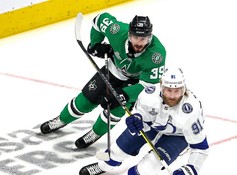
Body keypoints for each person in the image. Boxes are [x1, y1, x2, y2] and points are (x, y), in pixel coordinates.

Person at [78, 66, 209, 175]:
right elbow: (140, 114)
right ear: (161, 87)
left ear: (183, 89)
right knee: (116, 151)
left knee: (149, 167)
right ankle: (102, 165)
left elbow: (201, 148)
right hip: (152, 124)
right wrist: (136, 119)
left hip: (177, 135)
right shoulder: (149, 94)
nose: (172, 95)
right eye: (168, 90)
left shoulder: (191, 111)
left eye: (177, 91)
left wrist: (190, 171)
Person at [40, 12, 166, 149]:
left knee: (116, 109)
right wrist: (95, 45)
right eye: (136, 37)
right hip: (112, 69)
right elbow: (99, 20)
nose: (139, 43)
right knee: (86, 100)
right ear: (129, 35)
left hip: (135, 82)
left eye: (144, 39)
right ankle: (61, 120)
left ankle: (95, 133)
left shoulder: (157, 55)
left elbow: (149, 86)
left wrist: (125, 93)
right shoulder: (118, 30)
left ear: (150, 37)